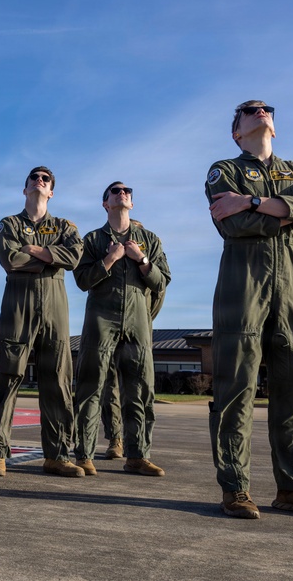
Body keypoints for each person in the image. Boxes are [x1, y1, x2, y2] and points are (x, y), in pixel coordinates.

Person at [206, 100, 293, 519]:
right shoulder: (224, 170)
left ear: (274, 128)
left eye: (267, 109)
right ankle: (235, 489)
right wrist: (289, 212)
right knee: (236, 388)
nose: (261, 111)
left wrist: (250, 203)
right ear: (237, 131)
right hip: (242, 285)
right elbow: (228, 224)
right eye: (250, 110)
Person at [0, 167, 84, 478]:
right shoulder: (9, 224)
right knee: (6, 378)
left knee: (58, 382)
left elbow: (75, 257)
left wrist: (37, 251)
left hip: (55, 309)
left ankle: (56, 455)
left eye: (46, 180)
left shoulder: (65, 226)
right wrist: (52, 258)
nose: (39, 181)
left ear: (51, 192)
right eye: (34, 178)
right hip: (18, 307)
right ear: (25, 188)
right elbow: (9, 259)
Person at [72, 182, 171, 477]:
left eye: (127, 191)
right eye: (115, 191)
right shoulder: (92, 239)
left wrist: (141, 259)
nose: (122, 193)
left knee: (140, 388)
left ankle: (138, 455)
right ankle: (84, 455)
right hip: (101, 317)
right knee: (91, 386)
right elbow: (82, 280)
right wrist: (111, 258)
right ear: (106, 204)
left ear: (131, 203)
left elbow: (162, 281)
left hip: (138, 318)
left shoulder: (148, 239)